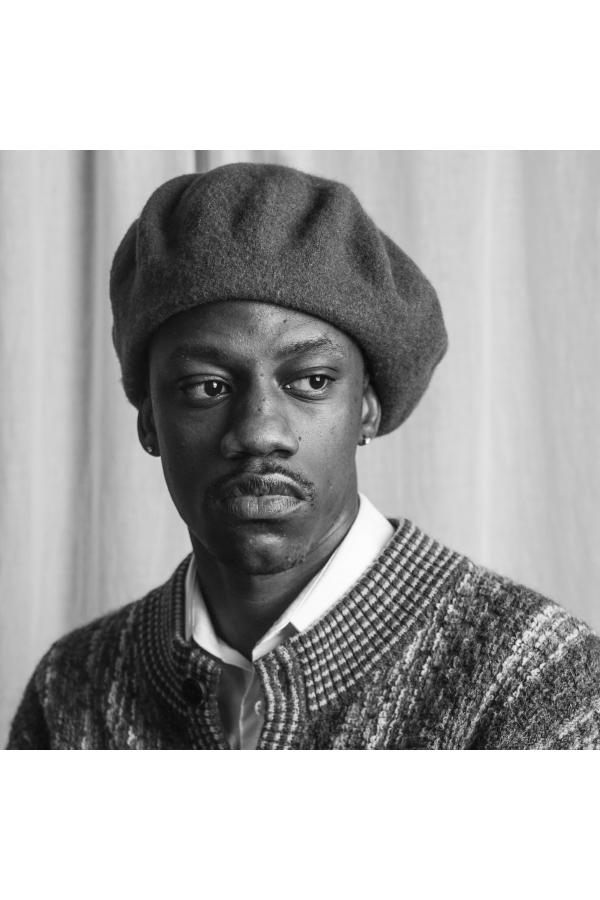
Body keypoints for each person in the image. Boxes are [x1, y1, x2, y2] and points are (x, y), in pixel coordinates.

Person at [7, 163, 600, 750]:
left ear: (366, 409)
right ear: (149, 423)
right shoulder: (72, 691)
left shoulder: (536, 688)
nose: (260, 431)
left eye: (312, 381)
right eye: (207, 386)